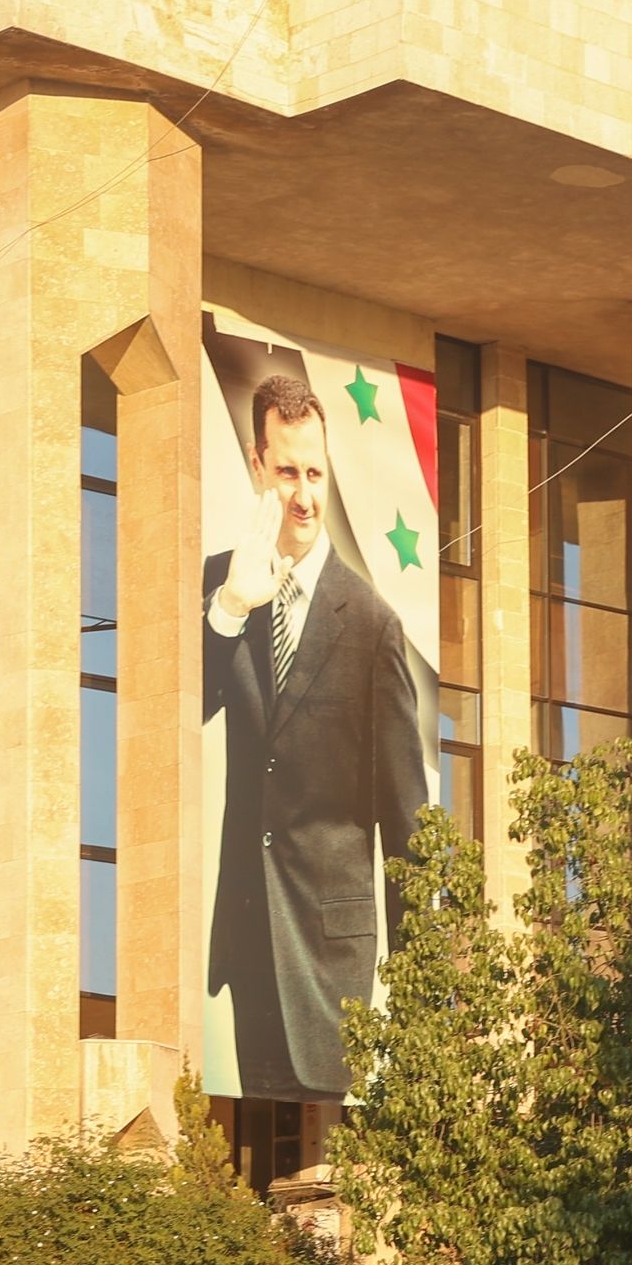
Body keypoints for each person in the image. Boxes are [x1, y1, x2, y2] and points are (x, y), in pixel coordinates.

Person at [202, 366, 427, 1103]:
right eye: (287, 471)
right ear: (255, 464)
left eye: (315, 473)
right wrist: (231, 607)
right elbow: (170, 711)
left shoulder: (371, 626)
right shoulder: (220, 586)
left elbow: (406, 822)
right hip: (249, 934)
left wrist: (426, 1000)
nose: (303, 494)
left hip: (333, 957)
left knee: (329, 1177)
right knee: (254, 1164)